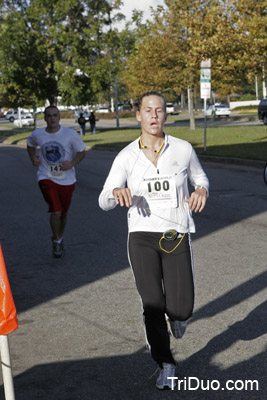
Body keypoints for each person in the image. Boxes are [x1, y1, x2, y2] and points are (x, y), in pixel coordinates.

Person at [98, 91, 209, 390]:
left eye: (159, 110)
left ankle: (179, 318)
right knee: (152, 303)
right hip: (142, 237)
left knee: (181, 308)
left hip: (176, 234)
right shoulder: (126, 156)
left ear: (165, 115)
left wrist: (201, 191)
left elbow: (201, 179)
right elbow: (103, 199)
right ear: (139, 115)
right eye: (148, 110)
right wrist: (115, 194)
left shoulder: (183, 149)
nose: (154, 115)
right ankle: (165, 363)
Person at [27, 105, 86, 258]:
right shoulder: (38, 134)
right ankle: (57, 241)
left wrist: (72, 164)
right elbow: (30, 144)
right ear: (45, 118)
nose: (52, 118)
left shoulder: (70, 134)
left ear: (59, 117)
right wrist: (33, 158)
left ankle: (58, 238)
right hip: (46, 177)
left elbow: (81, 151)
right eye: (49, 116)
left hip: (67, 179)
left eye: (54, 115)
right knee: (56, 211)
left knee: (64, 213)